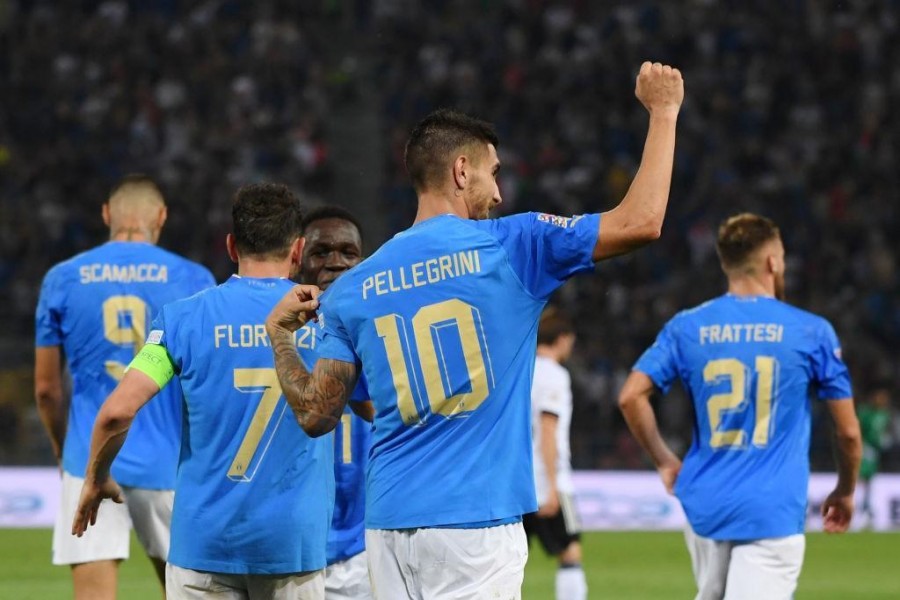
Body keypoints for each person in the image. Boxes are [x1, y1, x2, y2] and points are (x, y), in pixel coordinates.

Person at [264, 60, 683, 599]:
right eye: (494, 172)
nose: (500, 193)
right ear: (462, 171)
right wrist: (664, 112)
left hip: (387, 527)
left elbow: (317, 414)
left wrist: (279, 336)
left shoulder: (354, 288)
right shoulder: (513, 246)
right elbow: (641, 221)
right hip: (474, 527)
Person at [72, 183, 332, 599]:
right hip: (291, 545)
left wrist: (96, 478)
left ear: (231, 246)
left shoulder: (182, 320)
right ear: (298, 250)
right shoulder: (324, 319)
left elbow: (117, 412)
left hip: (204, 548)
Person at [617, 213, 863, 600]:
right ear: (773, 262)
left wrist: (665, 460)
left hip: (704, 504)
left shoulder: (687, 326)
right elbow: (847, 432)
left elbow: (631, 396)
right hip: (772, 508)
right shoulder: (811, 331)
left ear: (725, 263)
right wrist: (846, 490)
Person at [34, 174, 214, 599]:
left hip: (89, 458)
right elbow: (207, 380)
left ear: (106, 214)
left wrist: (62, 449)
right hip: (167, 462)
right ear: (163, 217)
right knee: (189, 590)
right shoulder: (194, 278)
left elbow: (46, 387)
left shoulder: (62, 278)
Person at [298, 206, 374, 599]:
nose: (336, 262)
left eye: (348, 252)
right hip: (293, 551)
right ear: (297, 258)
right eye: (321, 252)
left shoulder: (383, 335)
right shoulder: (277, 340)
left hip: (368, 547)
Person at [523, 307, 586, 600]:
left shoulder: (522, 371)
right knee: (570, 552)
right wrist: (550, 487)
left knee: (510, 560)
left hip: (517, 480)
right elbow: (548, 430)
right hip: (548, 480)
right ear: (562, 339)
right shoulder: (555, 375)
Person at [858, 384, 892, 527]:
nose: (882, 400)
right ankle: (861, 510)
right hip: (864, 450)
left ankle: (867, 510)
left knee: (870, 481)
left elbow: (883, 433)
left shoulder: (885, 415)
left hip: (875, 452)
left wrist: (884, 440)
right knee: (861, 479)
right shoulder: (865, 413)